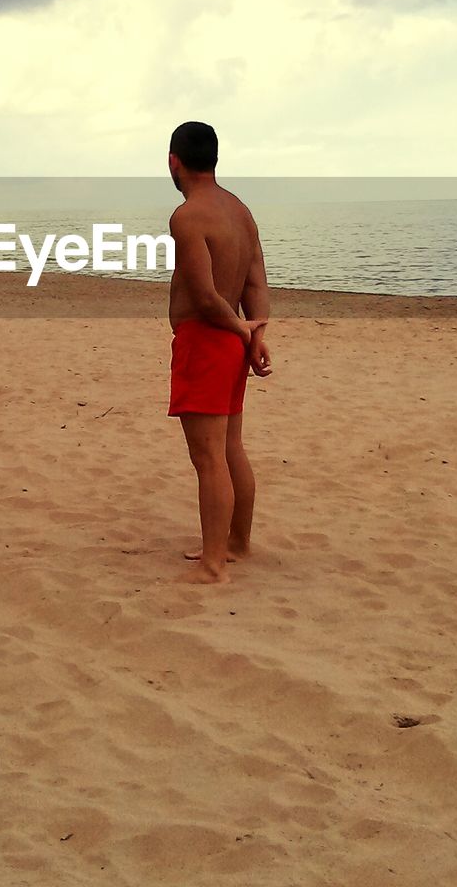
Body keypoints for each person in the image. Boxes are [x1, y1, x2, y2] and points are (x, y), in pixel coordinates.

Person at [167, 121, 272, 584]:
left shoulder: (188, 216)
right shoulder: (241, 211)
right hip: (232, 342)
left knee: (208, 457)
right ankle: (235, 545)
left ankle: (214, 566)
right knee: (230, 448)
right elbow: (255, 280)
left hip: (208, 339)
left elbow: (206, 296)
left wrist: (238, 327)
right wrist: (255, 334)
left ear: (175, 161)